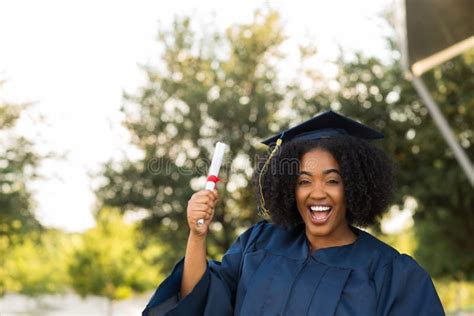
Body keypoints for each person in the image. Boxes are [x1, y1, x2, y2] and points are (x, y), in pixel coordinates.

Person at [143, 111, 444, 315]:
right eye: (303, 181)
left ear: (354, 186)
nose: (317, 193)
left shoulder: (391, 274)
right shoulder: (258, 245)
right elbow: (199, 301)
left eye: (332, 180)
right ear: (289, 188)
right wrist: (198, 235)